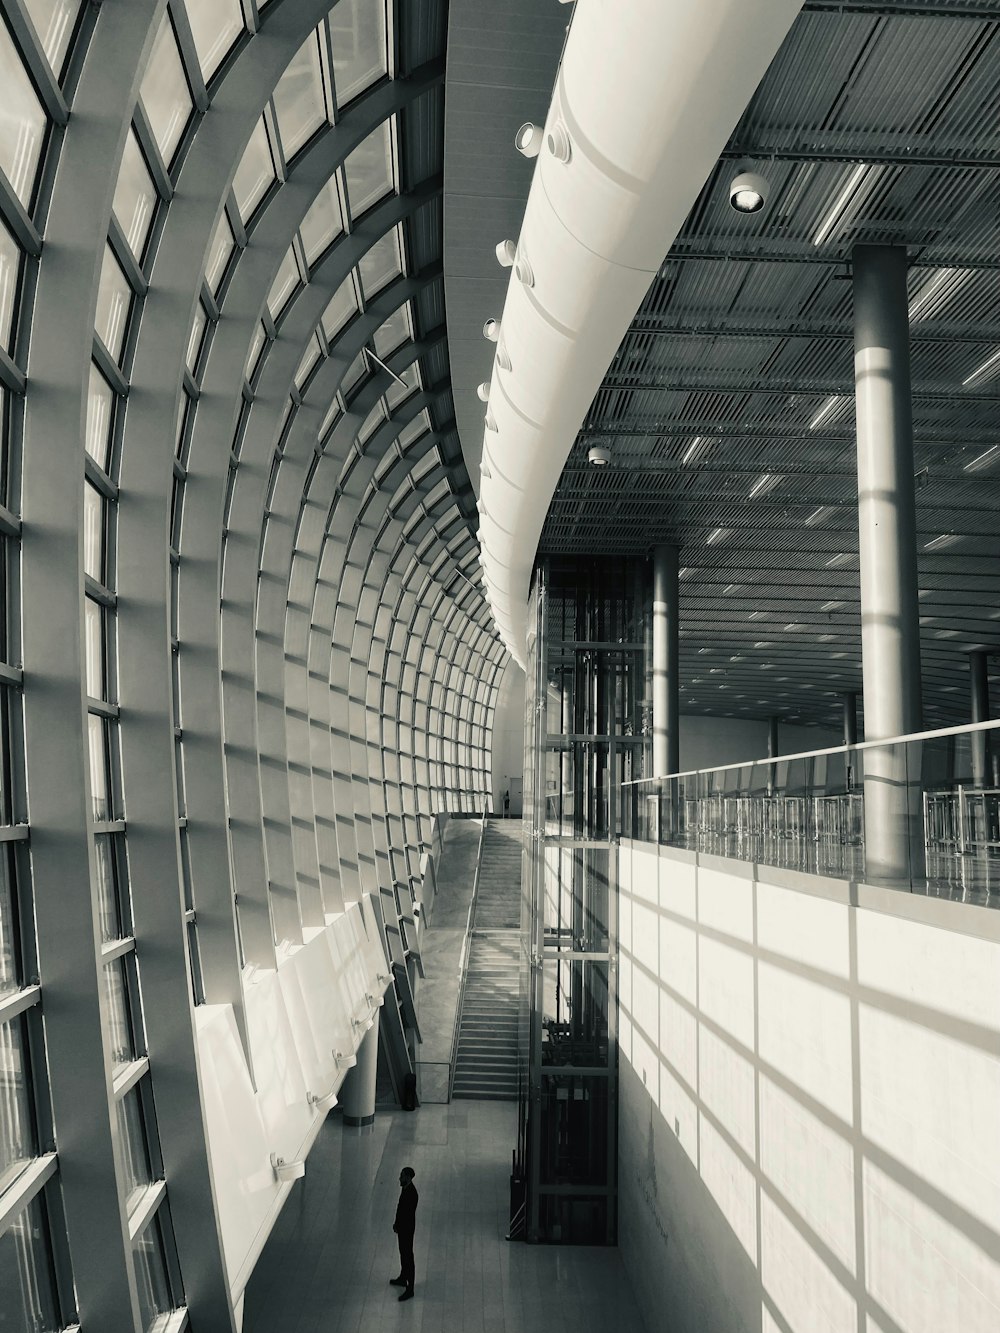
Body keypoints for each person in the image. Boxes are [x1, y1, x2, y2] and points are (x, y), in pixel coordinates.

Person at [389, 1166, 418, 1301]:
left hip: (406, 1230)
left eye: (401, 1176)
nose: (399, 1178)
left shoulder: (412, 1193)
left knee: (408, 1256)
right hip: (402, 1229)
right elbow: (400, 1209)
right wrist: (397, 1223)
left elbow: (407, 1214)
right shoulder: (405, 1189)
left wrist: (400, 1225)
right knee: (403, 1253)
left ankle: (410, 1288)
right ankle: (403, 1276)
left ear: (407, 1177)